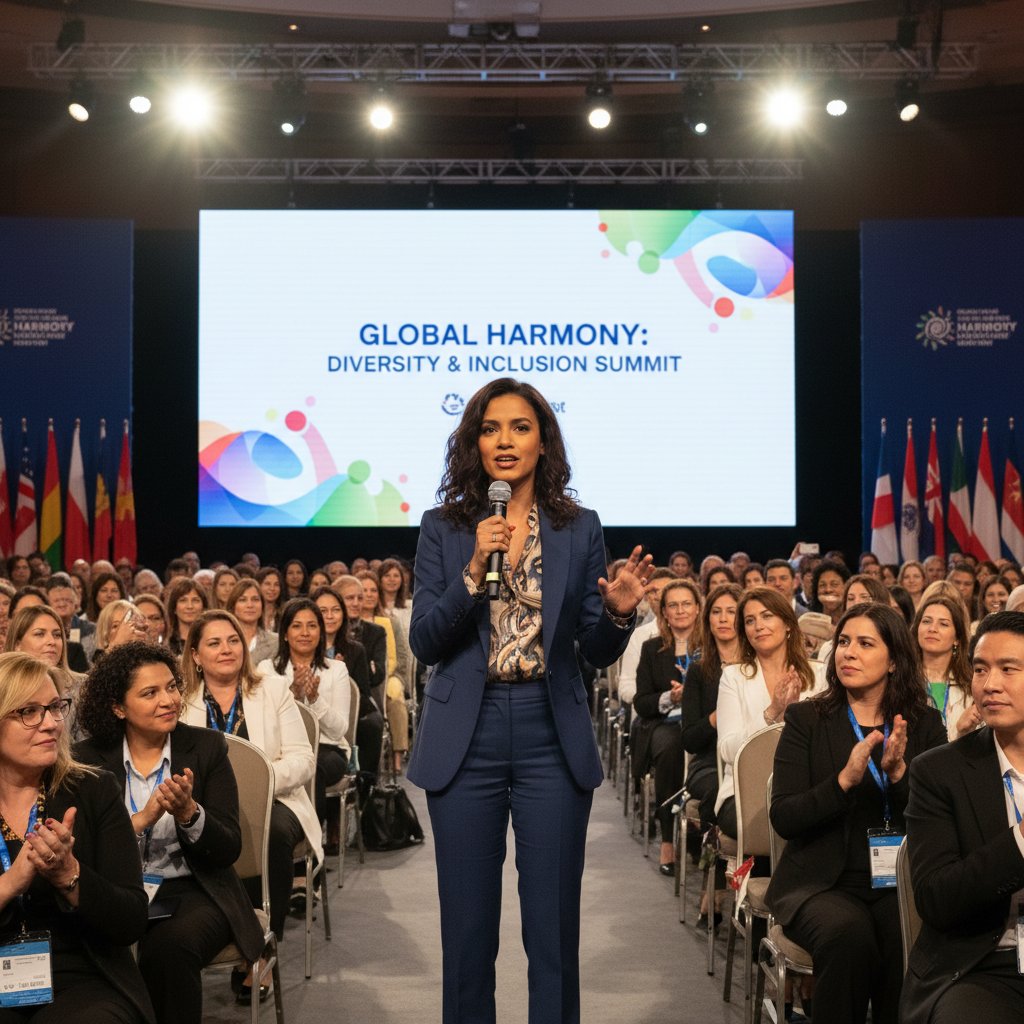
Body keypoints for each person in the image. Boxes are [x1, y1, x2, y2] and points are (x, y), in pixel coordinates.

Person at [407, 377, 651, 1024]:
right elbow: (427, 641)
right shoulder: (445, 528)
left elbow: (594, 649)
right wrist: (470, 576)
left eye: (520, 427)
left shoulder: (579, 527)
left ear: (544, 441)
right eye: (491, 428)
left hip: (550, 732)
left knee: (553, 934)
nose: (505, 440)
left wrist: (621, 616)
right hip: (468, 734)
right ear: (474, 443)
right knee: (466, 936)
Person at [766, 603, 947, 1024]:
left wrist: (900, 776)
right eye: (844, 641)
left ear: (895, 660)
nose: (848, 652)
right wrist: (842, 783)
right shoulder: (806, 719)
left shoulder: (924, 725)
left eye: (865, 644)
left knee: (903, 936)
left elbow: (938, 821)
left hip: (896, 881)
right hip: (820, 884)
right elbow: (785, 816)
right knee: (848, 935)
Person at [75, 643, 265, 1017]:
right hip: (117, 888)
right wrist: (140, 821)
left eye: (172, 687)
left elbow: (228, 848)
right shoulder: (87, 759)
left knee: (168, 948)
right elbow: (85, 851)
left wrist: (190, 814)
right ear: (118, 706)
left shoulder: (206, 747)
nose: (168, 700)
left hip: (194, 889)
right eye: (150, 693)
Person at [0, 651, 154, 1023]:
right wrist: (9, 884)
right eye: (29, 712)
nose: (51, 723)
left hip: (82, 973)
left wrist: (70, 876)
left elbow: (131, 920)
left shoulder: (94, 790)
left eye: (55, 707)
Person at [901, 610, 1024, 1024]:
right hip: (981, 965)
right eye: (980, 670)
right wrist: (1021, 841)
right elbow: (937, 898)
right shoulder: (939, 771)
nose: (990, 685)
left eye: (1009, 669)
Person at [178, 610, 318, 942]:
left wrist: (256, 784)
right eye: (214, 643)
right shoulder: (182, 702)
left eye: (233, 641)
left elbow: (303, 759)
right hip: (204, 805)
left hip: (276, 799)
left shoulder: (273, 689)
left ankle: (264, 941)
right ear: (195, 655)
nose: (226, 649)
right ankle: (215, 930)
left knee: (272, 832)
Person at [715, 586, 827, 840]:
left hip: (806, 787)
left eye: (767, 616)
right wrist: (773, 711)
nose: (758, 626)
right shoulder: (733, 677)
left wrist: (798, 716)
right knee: (782, 824)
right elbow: (728, 750)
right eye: (750, 621)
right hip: (745, 792)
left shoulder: (818, 675)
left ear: (788, 623)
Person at [257, 598, 350, 828]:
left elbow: (339, 729)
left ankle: (311, 841)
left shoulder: (336, 670)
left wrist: (316, 700)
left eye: (312, 625)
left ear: (320, 631)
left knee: (312, 769)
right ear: (285, 633)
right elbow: (265, 720)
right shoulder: (267, 669)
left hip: (328, 748)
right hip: (280, 749)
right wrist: (294, 693)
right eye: (297, 626)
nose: (305, 632)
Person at [680, 582, 741, 923]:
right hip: (708, 764)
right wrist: (716, 718)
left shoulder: (754, 667)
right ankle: (714, 884)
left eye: (731, 611)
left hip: (747, 763)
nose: (723, 618)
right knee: (719, 794)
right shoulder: (700, 671)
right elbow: (690, 738)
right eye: (716, 611)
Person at [633, 579, 702, 874]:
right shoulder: (652, 649)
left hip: (703, 723)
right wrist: (669, 696)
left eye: (686, 603)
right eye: (673, 605)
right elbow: (641, 702)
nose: (680, 610)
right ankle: (667, 838)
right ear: (664, 612)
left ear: (698, 608)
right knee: (671, 748)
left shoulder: (711, 646)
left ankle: (701, 839)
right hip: (665, 722)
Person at [312, 585, 383, 790]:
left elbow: (363, 694)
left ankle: (366, 787)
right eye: (323, 611)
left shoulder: (355, 650)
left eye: (335, 610)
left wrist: (341, 675)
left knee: (372, 722)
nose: (330, 616)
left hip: (346, 715)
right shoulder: (304, 647)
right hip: (313, 718)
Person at [913, 595, 978, 741]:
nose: (932, 629)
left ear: (957, 639)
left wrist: (962, 733)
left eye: (943, 624)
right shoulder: (901, 680)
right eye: (926, 621)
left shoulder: (972, 685)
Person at [225, 578, 278, 667]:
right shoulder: (222, 641)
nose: (250, 605)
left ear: (262, 606)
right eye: (243, 600)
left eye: (255, 599)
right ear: (233, 606)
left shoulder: (275, 642)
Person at [164, 578, 210, 659]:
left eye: (195, 600)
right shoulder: (165, 647)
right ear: (174, 608)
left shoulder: (212, 640)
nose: (190, 606)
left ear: (204, 607)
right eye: (183, 600)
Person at [255, 568, 284, 632]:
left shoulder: (284, 614)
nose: (272, 588)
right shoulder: (251, 613)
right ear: (258, 585)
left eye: (276, 584)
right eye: (267, 584)